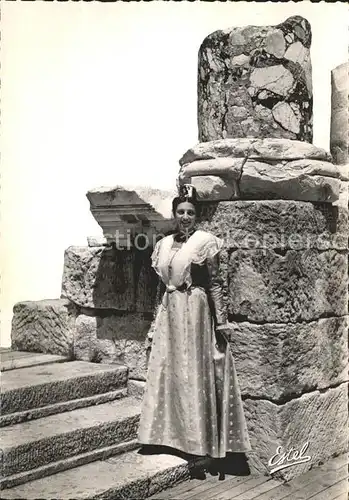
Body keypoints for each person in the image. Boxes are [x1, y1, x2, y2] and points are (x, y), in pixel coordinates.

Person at [138, 184, 251, 460]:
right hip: (170, 312)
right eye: (181, 211)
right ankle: (164, 435)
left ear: (196, 214)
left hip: (195, 311)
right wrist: (155, 322)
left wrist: (221, 320)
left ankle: (196, 441)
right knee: (167, 368)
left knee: (192, 370)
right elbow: (159, 288)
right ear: (175, 214)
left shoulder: (204, 241)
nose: (185, 216)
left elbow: (214, 282)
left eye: (190, 212)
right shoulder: (164, 244)